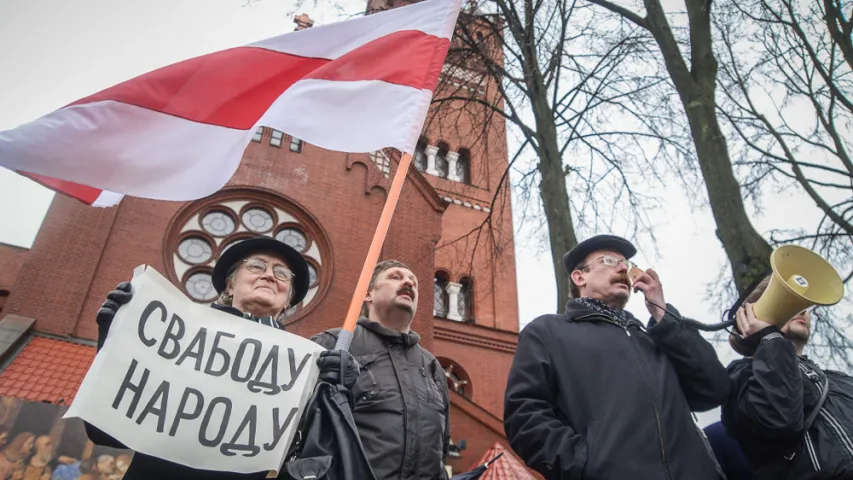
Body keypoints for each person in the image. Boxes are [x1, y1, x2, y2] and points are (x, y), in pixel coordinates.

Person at [84, 236, 313, 479]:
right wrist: (112, 341)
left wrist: (334, 393)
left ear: (287, 299)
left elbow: (300, 456)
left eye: (282, 273)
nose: (269, 275)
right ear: (230, 285)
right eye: (256, 266)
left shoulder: (299, 369)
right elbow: (102, 432)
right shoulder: (177, 337)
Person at [504, 235, 730, 479]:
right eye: (610, 261)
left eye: (626, 263)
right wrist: (587, 465)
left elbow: (714, 389)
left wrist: (665, 316)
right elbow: (525, 416)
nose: (624, 268)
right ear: (579, 277)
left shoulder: (656, 337)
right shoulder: (548, 332)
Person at [311, 260, 451, 480]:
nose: (408, 283)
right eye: (395, 277)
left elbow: (442, 447)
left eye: (413, 282)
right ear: (367, 295)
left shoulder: (432, 366)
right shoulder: (334, 345)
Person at [722, 276, 853, 479]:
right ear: (755, 315)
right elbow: (779, 420)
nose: (802, 310)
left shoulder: (841, 379)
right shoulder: (740, 376)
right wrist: (770, 337)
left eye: (804, 306)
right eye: (788, 303)